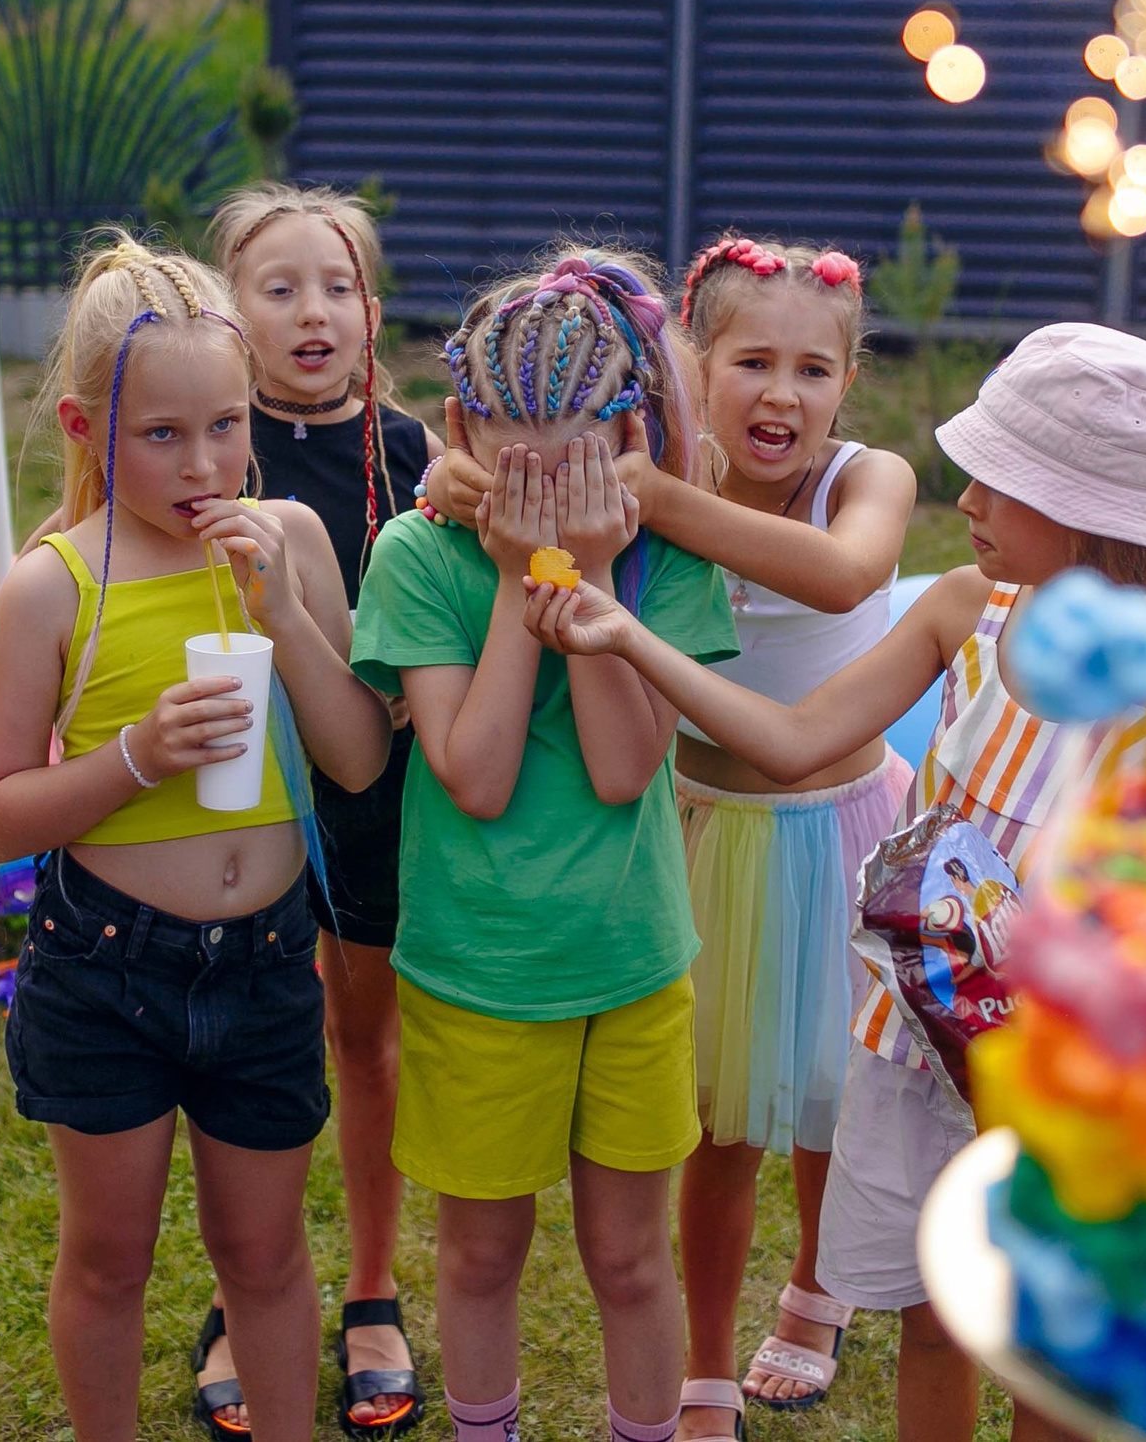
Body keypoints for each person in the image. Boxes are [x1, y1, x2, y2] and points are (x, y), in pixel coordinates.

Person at [520, 323, 1146, 1442]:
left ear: (1088, 508)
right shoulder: (960, 613)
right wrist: (626, 639)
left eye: (1005, 479)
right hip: (922, 1048)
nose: (969, 495)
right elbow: (793, 739)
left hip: (1075, 1071)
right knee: (932, 1316)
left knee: (1051, 1345)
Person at [425, 234, 918, 1438]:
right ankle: (701, 1357)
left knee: (829, 1092)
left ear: (848, 382)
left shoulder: (858, 479)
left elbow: (845, 578)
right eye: (752, 361)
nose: (782, 393)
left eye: (814, 368)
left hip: (839, 826)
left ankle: (814, 1289)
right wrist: (474, 485)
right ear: (691, 366)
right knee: (712, 1111)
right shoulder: (639, 491)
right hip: (701, 826)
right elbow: (496, 490)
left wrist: (651, 494)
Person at [0, 238, 392, 1442]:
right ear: (84, 423)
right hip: (107, 965)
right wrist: (134, 759)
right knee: (107, 1256)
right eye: (161, 434)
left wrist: (284, 617)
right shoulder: (54, 585)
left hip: (265, 960)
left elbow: (359, 759)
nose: (203, 462)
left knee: (263, 1254)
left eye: (224, 424)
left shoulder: (291, 540)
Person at [349, 249, 736, 1442]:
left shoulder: (665, 562)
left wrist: (597, 576)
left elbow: (627, 769)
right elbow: (474, 772)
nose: (539, 473)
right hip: (479, 966)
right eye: (512, 444)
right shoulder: (417, 556)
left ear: (624, 436)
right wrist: (525, 579)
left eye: (570, 447)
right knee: (477, 1250)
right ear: (461, 424)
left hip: (627, 963)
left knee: (629, 1258)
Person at [208, 184, 443, 1437]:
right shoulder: (190, 443)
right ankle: (244, 1286)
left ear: (371, 310)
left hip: (369, 802)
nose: (313, 312)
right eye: (278, 286)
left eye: (337, 286)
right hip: (221, 810)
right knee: (243, 1053)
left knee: (363, 1041)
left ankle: (366, 1280)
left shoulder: (413, 457)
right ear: (226, 311)